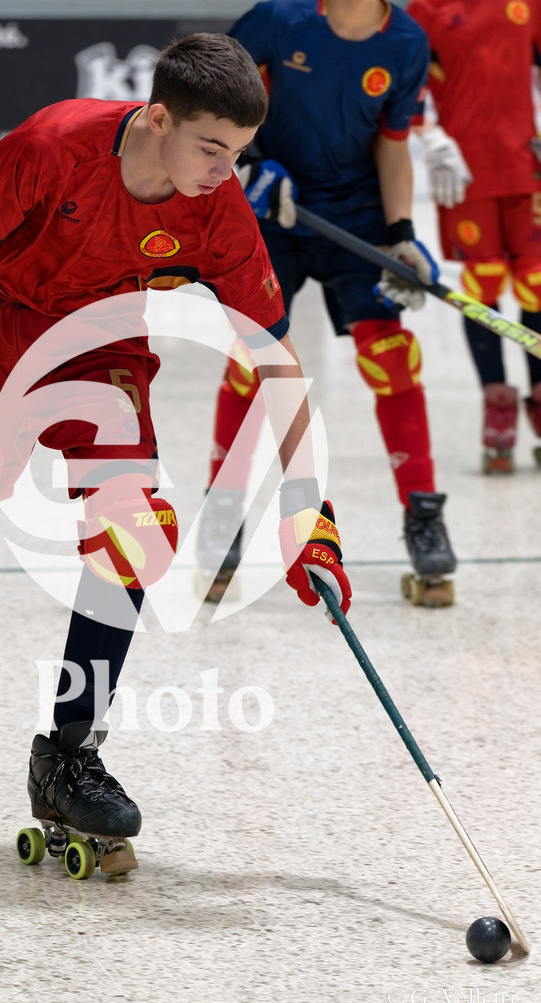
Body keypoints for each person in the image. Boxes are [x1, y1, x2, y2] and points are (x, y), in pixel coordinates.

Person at [0, 33, 352, 877]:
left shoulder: (217, 206)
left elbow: (275, 358)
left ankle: (68, 755)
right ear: (157, 119)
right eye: (210, 148)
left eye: (238, 153)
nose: (224, 170)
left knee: (136, 532)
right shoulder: (53, 146)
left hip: (99, 347)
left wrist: (313, 513)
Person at [195, 0, 457, 609]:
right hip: (269, 212)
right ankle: (224, 509)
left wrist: (401, 234)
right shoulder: (277, 20)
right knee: (252, 359)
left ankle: (423, 515)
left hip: (356, 217)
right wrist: (248, 166)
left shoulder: (406, 43)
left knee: (392, 356)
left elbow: (394, 143)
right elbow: (207, 102)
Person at [407, 0, 541, 473]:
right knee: (481, 287)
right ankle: (497, 402)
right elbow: (405, 87)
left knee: (537, 283)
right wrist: (431, 138)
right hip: (465, 171)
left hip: (527, 165)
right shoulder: (426, 10)